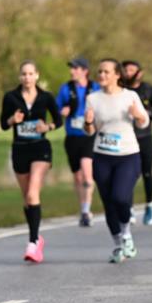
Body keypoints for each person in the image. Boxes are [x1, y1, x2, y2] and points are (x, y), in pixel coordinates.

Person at [84, 59, 149, 262]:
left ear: (117, 75)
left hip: (128, 155)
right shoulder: (92, 98)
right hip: (102, 156)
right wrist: (88, 122)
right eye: (99, 71)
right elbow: (90, 131)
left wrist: (138, 116)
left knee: (120, 197)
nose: (101, 75)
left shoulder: (130, 96)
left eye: (106, 71)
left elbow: (144, 122)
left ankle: (126, 234)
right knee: (108, 203)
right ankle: (118, 245)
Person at [0, 60, 62, 262]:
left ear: (37, 75)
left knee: (33, 193)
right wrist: (12, 120)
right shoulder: (11, 97)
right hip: (20, 149)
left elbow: (59, 120)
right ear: (20, 77)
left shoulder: (46, 97)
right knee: (27, 198)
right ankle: (36, 237)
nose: (27, 78)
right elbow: (3, 124)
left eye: (30, 74)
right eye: (23, 74)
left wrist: (47, 127)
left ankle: (33, 242)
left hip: (40, 148)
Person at [56, 57, 100, 227]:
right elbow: (56, 108)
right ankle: (83, 209)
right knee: (77, 176)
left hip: (89, 135)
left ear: (84, 71)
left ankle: (87, 211)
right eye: (71, 68)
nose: (72, 71)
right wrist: (62, 111)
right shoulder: (66, 89)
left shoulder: (95, 88)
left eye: (75, 68)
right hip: (72, 137)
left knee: (87, 174)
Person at [123, 60, 152, 225]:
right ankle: (128, 207)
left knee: (147, 173)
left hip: (144, 137)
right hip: (126, 138)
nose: (128, 73)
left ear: (140, 73)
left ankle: (150, 204)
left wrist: (146, 113)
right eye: (125, 70)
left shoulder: (148, 90)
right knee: (128, 174)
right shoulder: (121, 90)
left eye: (131, 70)